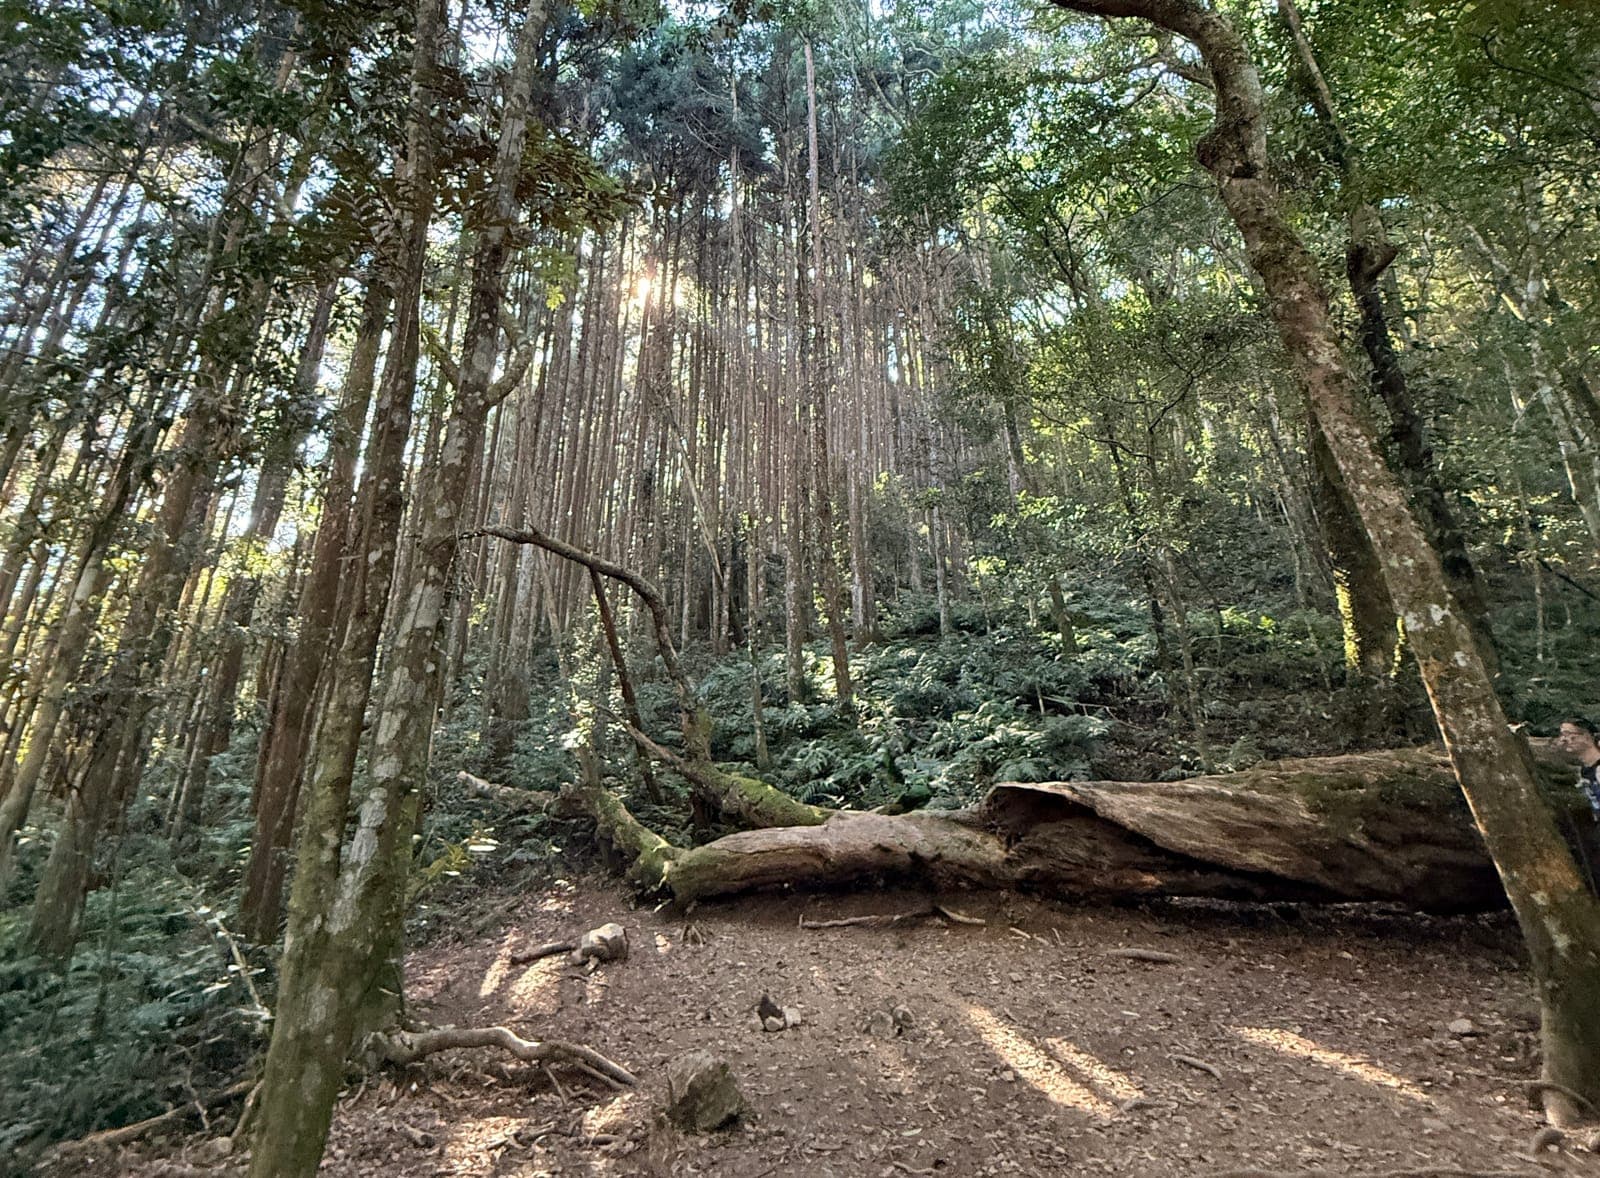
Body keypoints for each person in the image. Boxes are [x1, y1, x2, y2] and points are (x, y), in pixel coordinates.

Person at [1556, 718, 1600, 819]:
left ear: (1587, 737)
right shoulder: (1586, 769)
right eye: (1562, 734)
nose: (1563, 739)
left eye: (1568, 734)